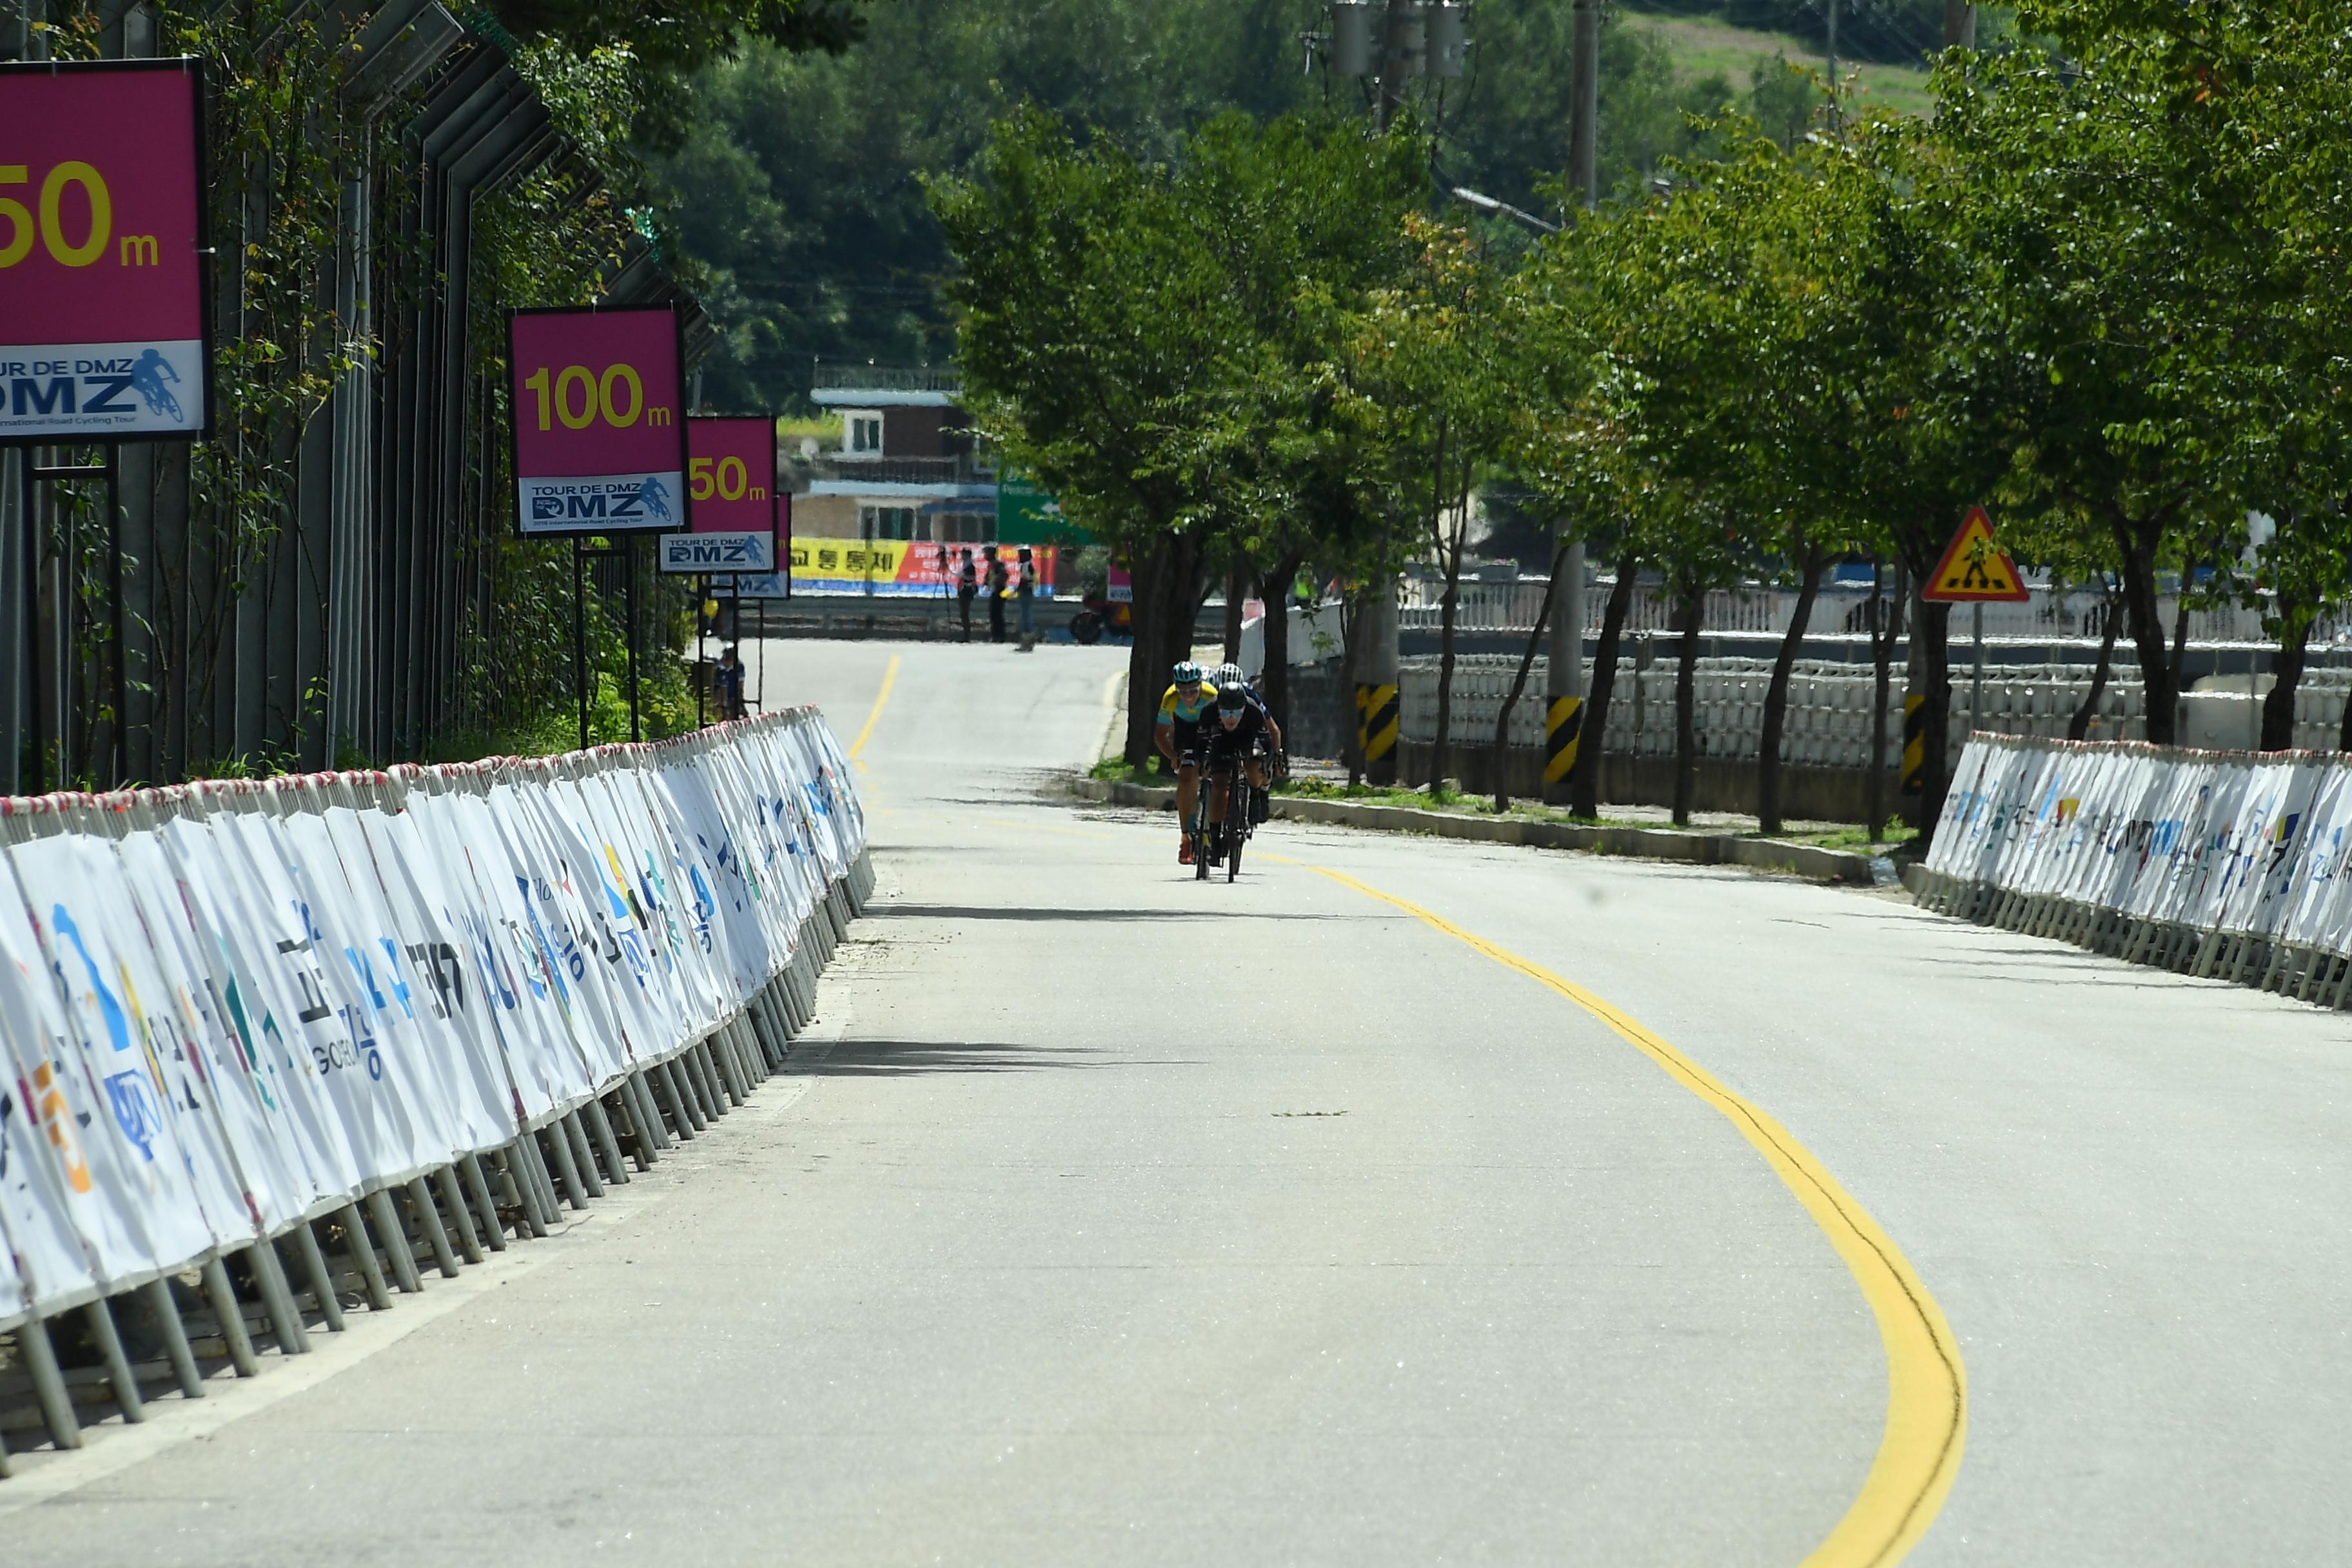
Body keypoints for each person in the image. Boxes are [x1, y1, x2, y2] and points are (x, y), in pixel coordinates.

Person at [1154, 661, 1219, 865]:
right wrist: (1174, 756)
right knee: (1186, 777)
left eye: (1193, 690)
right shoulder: (1170, 698)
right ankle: (1186, 837)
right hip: (1185, 731)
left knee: (1218, 773)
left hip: (1209, 728)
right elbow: (1160, 735)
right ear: (1176, 688)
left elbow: (1224, 726)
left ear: (1201, 684)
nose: (1189, 696)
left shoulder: (1212, 695)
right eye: (1184, 691)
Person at [1200, 679, 1277, 842]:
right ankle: (1214, 834)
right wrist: (1202, 760)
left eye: (1236, 713)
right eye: (1226, 713)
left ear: (1244, 709)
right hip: (1220, 741)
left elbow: (1267, 743)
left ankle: (1255, 796)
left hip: (1246, 739)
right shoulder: (1208, 711)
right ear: (1218, 708)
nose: (1231, 718)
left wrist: (1268, 762)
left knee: (1255, 762)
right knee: (1219, 785)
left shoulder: (1254, 712)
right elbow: (1201, 742)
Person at [714, 644, 747, 721]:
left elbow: (740, 686)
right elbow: (722, 687)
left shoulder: (739, 666)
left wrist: (740, 701)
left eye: (730, 657)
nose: (727, 660)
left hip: (734, 692)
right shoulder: (719, 668)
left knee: (741, 714)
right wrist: (724, 705)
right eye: (726, 657)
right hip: (720, 693)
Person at [984, 545, 1008, 643]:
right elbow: (989, 577)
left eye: (987, 553)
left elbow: (1004, 575)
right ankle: (995, 635)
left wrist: (997, 582)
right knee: (994, 614)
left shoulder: (998, 564)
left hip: (1000, 591)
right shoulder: (991, 565)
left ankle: (1000, 636)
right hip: (995, 591)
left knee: (997, 614)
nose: (985, 555)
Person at [1015, 545, 1037, 641]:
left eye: (1020, 554)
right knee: (1027, 614)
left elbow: (1024, 579)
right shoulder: (1029, 565)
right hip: (1029, 591)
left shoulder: (1025, 565)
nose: (1019, 556)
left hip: (1025, 592)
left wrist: (1018, 590)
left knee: (1025, 616)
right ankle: (1029, 637)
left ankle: (1028, 637)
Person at [956, 547, 977, 641]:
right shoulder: (966, 565)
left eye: (963, 554)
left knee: (965, 614)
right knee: (963, 614)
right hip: (965, 591)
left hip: (967, 592)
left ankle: (967, 636)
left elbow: (960, 575)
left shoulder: (969, 566)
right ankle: (966, 635)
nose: (961, 556)